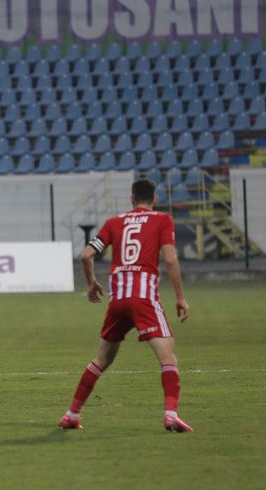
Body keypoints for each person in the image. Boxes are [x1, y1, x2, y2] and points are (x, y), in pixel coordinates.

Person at [58, 177, 193, 433]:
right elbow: (171, 260)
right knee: (168, 358)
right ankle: (171, 415)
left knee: (101, 359)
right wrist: (179, 297)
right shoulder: (162, 219)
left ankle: (71, 414)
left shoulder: (115, 222)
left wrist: (91, 284)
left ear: (131, 199)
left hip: (118, 299)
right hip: (143, 298)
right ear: (155, 200)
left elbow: (86, 254)